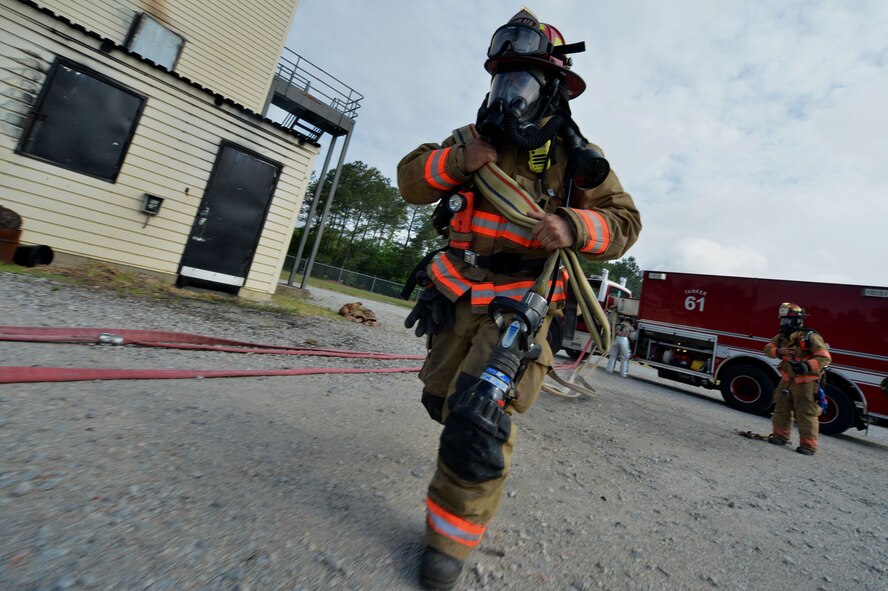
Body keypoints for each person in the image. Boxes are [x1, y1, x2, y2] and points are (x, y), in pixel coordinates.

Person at [396, 9, 641, 589]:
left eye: (524, 82)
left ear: (553, 87)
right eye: (503, 81)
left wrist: (574, 226)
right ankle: (453, 420)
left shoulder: (575, 159)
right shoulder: (468, 142)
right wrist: (459, 162)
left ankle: (448, 542)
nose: (510, 95)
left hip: (521, 306)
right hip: (456, 297)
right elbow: (409, 180)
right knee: (443, 399)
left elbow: (625, 221)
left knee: (478, 417)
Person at [762, 302, 831, 455]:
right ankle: (780, 436)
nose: (783, 323)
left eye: (787, 320)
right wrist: (780, 351)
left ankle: (808, 446)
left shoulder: (810, 337)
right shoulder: (781, 337)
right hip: (786, 380)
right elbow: (767, 349)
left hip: (806, 383)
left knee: (806, 413)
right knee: (781, 408)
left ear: (797, 321)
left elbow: (824, 358)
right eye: (782, 320)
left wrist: (806, 366)